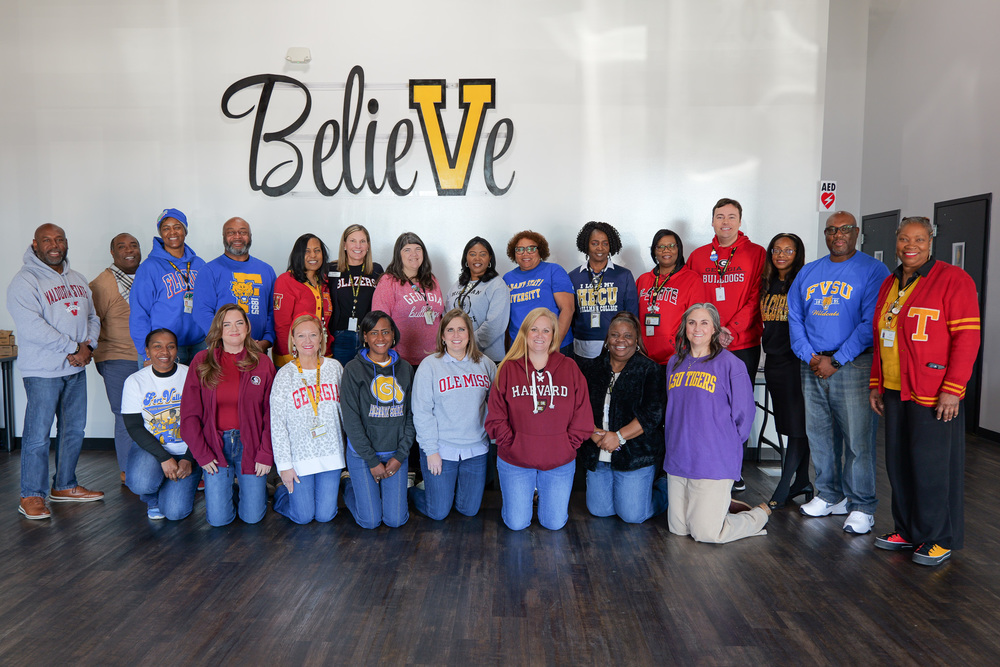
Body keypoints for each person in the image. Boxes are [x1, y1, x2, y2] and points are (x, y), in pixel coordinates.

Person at [869, 216, 981, 566]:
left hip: (933, 393)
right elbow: (881, 336)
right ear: (896, 241)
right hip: (895, 390)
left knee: (931, 468)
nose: (911, 246)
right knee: (899, 464)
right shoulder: (890, 282)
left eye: (919, 239)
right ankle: (907, 530)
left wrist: (953, 389)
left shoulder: (953, 279)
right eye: (904, 238)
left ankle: (937, 537)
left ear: (930, 242)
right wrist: (876, 383)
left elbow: (967, 338)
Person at [788, 211, 890, 535]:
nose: (838, 235)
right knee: (819, 434)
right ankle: (830, 495)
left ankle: (862, 506)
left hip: (854, 365)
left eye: (845, 229)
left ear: (856, 232)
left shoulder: (874, 270)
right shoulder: (808, 272)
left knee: (858, 440)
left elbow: (871, 322)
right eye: (831, 230)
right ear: (825, 235)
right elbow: (795, 317)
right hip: (813, 364)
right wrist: (810, 356)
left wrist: (837, 360)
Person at [7, 224, 104, 519]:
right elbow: (32, 327)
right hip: (42, 371)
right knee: (37, 435)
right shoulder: (25, 281)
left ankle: (64, 485)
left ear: (66, 243)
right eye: (47, 240)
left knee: (73, 430)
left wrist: (89, 346)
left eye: (59, 239)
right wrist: (73, 348)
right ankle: (31, 495)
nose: (54, 245)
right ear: (35, 244)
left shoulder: (78, 278)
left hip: (75, 368)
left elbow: (92, 316)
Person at [664, 303, 770, 543]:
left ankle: (757, 515)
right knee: (679, 529)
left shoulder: (731, 364)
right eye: (692, 322)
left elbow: (744, 414)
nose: (697, 328)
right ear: (684, 327)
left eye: (704, 323)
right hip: (679, 456)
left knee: (707, 533)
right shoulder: (674, 363)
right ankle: (719, 506)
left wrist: (725, 445)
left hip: (713, 459)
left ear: (715, 329)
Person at [486, 308, 593, 530]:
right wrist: (512, 444)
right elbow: (496, 416)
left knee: (554, 523)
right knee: (516, 523)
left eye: (546, 330)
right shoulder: (507, 368)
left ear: (554, 335)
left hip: (558, 460)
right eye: (534, 329)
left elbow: (583, 415)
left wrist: (566, 445)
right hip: (516, 459)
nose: (539, 335)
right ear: (524, 333)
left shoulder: (570, 367)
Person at [686, 199, 766, 491]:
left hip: (741, 343)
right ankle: (706, 462)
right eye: (720, 217)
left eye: (732, 217)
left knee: (738, 407)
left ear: (740, 221)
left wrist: (731, 329)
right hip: (704, 345)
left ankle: (735, 468)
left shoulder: (756, 253)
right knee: (705, 404)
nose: (726, 222)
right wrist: (707, 333)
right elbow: (692, 298)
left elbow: (757, 296)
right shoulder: (697, 256)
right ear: (712, 221)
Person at [180, 303, 276, 526]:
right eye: (227, 324)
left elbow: (272, 414)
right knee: (218, 520)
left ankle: (265, 490)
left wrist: (265, 453)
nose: (234, 329)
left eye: (239, 323)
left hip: (251, 444)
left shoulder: (262, 363)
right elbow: (189, 415)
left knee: (252, 518)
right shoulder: (202, 361)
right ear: (218, 329)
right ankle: (229, 489)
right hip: (215, 445)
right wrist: (202, 454)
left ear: (247, 327)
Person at [577, 312, 667, 523]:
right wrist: (594, 433)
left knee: (632, 515)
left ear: (636, 341)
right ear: (607, 339)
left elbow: (652, 414)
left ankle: (666, 488)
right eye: (615, 335)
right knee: (600, 510)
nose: (621, 341)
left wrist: (618, 436)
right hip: (598, 450)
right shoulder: (590, 369)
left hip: (634, 455)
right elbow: (578, 407)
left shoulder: (650, 369)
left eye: (627, 336)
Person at [409, 309, 497, 519]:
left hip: (476, 449)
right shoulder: (430, 365)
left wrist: (494, 439)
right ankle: (412, 490)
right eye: (450, 330)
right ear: (442, 335)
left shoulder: (485, 364)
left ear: (470, 334)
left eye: (461, 329)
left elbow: (497, 404)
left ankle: (445, 491)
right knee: (438, 512)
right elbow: (421, 412)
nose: (456, 335)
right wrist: (431, 451)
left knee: (469, 510)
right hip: (441, 449)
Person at [340, 311, 415, 529]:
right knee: (370, 521)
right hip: (363, 455)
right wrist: (372, 461)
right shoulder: (353, 369)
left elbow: (412, 416)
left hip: (395, 455)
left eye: (385, 332)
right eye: (374, 333)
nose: (380, 338)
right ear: (365, 336)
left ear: (393, 335)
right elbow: (351, 421)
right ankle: (348, 484)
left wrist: (400, 456)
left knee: (395, 520)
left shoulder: (405, 369)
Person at [270, 314, 346, 524]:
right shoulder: (285, 375)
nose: (307, 341)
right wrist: (284, 466)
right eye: (301, 336)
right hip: (300, 457)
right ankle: (280, 491)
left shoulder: (335, 368)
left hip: (330, 453)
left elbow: (345, 413)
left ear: (321, 337)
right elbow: (277, 423)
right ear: (293, 340)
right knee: (303, 516)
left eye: (313, 335)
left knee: (325, 516)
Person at [122, 328, 201, 520]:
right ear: (147, 351)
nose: (164, 352)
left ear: (177, 350)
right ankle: (153, 499)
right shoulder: (135, 381)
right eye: (157, 346)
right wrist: (165, 458)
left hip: (187, 451)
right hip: (151, 450)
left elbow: (204, 419)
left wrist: (189, 458)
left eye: (170, 346)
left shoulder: (191, 375)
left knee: (175, 512)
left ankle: (170, 489)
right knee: (141, 483)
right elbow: (134, 426)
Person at [759, 233, 813, 510]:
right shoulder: (768, 283)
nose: (781, 255)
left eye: (788, 250)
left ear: (797, 254)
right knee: (787, 423)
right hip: (773, 361)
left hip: (795, 362)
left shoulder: (804, 283)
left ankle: (783, 486)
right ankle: (802, 481)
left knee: (797, 425)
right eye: (776, 250)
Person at [90, 232, 142, 483]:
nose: (129, 250)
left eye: (134, 245)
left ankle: (148, 469)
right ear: (112, 252)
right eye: (122, 246)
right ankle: (128, 471)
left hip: (148, 357)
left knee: (155, 412)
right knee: (126, 414)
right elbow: (90, 322)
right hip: (118, 357)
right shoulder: (103, 284)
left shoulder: (146, 276)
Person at [130, 208, 207, 366]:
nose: (172, 232)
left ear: (185, 230)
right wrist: (146, 353)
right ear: (161, 233)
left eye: (177, 227)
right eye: (166, 228)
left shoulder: (199, 264)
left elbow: (208, 304)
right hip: (164, 349)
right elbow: (139, 313)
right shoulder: (149, 267)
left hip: (198, 345)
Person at [193, 216, 276, 353]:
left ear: (250, 236)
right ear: (223, 237)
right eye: (231, 232)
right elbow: (201, 312)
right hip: (222, 350)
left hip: (258, 349)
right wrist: (224, 341)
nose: (237, 236)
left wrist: (266, 341)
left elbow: (273, 312)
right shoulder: (209, 271)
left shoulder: (266, 270)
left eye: (243, 232)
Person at [568, 221, 639, 359]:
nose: (600, 248)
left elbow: (632, 315)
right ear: (586, 245)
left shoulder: (624, 275)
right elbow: (569, 314)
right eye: (594, 243)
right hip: (581, 348)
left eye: (605, 243)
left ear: (611, 245)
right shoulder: (573, 277)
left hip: (617, 347)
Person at [636, 229, 707, 365]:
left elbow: (696, 319)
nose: (666, 250)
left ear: (679, 250)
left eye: (671, 246)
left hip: (677, 357)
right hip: (644, 356)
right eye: (661, 247)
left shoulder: (692, 279)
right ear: (654, 251)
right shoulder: (643, 280)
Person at [372, 232, 444, 367]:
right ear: (398, 255)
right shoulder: (388, 281)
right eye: (407, 250)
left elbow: (440, 318)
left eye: (418, 249)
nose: (414, 254)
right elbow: (379, 323)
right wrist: (389, 357)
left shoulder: (432, 280)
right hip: (401, 362)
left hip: (434, 359)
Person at [503, 231, 575, 356]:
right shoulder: (507, 278)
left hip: (552, 345)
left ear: (540, 251)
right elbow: (506, 319)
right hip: (520, 347)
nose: (525, 253)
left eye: (531, 249)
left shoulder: (554, 270)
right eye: (520, 249)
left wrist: (555, 344)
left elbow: (568, 309)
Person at [327, 224, 384, 367]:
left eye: (362, 241)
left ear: (368, 245)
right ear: (344, 245)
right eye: (353, 241)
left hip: (369, 337)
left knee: (369, 377)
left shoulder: (376, 270)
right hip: (340, 336)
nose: (358, 246)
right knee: (342, 377)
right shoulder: (331, 270)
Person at [445, 236, 510, 362]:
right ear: (466, 258)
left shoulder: (497, 284)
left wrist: (467, 343)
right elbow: (446, 317)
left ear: (490, 258)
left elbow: (495, 325)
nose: (477, 258)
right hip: (458, 356)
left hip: (488, 358)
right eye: (472, 254)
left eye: (483, 254)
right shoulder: (457, 285)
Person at [273, 234, 334, 367]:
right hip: (293, 357)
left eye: (317, 250)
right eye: (307, 251)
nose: (313, 255)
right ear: (298, 255)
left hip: (322, 354)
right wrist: (291, 360)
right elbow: (282, 325)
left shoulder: (324, 281)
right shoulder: (285, 281)